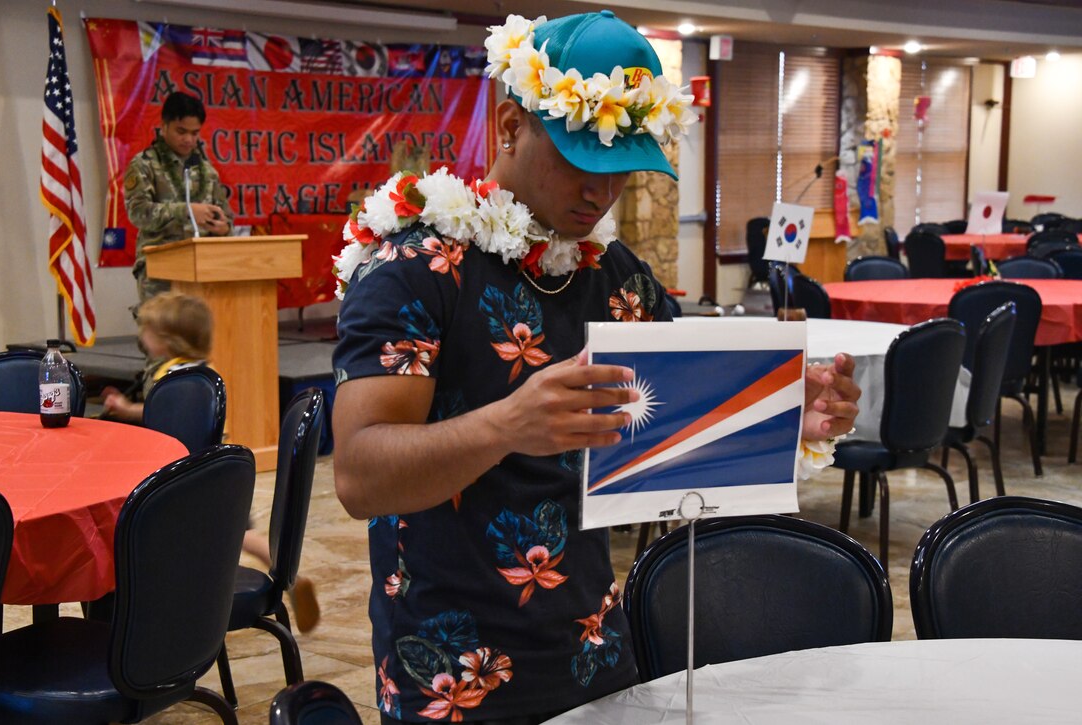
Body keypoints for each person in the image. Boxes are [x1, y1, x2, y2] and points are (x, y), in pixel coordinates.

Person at [331, 11, 860, 723]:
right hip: (453, 671)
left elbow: (680, 421)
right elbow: (360, 473)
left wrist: (788, 416)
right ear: (510, 126)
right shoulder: (415, 265)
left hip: (595, 651)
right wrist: (508, 424)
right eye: (581, 161)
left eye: (620, 169)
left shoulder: (615, 276)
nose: (600, 194)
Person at [101, 291, 321, 634]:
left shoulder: (172, 378)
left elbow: (160, 416)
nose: (142, 337)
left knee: (151, 534)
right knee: (241, 536)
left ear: (166, 340)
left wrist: (126, 410)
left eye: (146, 331)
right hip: (223, 476)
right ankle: (290, 576)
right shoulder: (205, 371)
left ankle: (174, 610)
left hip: (189, 485)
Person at [124, 91, 234, 306]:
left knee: (201, 336)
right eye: (181, 131)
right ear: (164, 126)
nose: (188, 139)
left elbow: (226, 216)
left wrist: (224, 227)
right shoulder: (144, 164)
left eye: (195, 133)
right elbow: (138, 213)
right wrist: (186, 211)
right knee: (161, 336)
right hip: (159, 268)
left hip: (202, 267)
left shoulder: (206, 170)